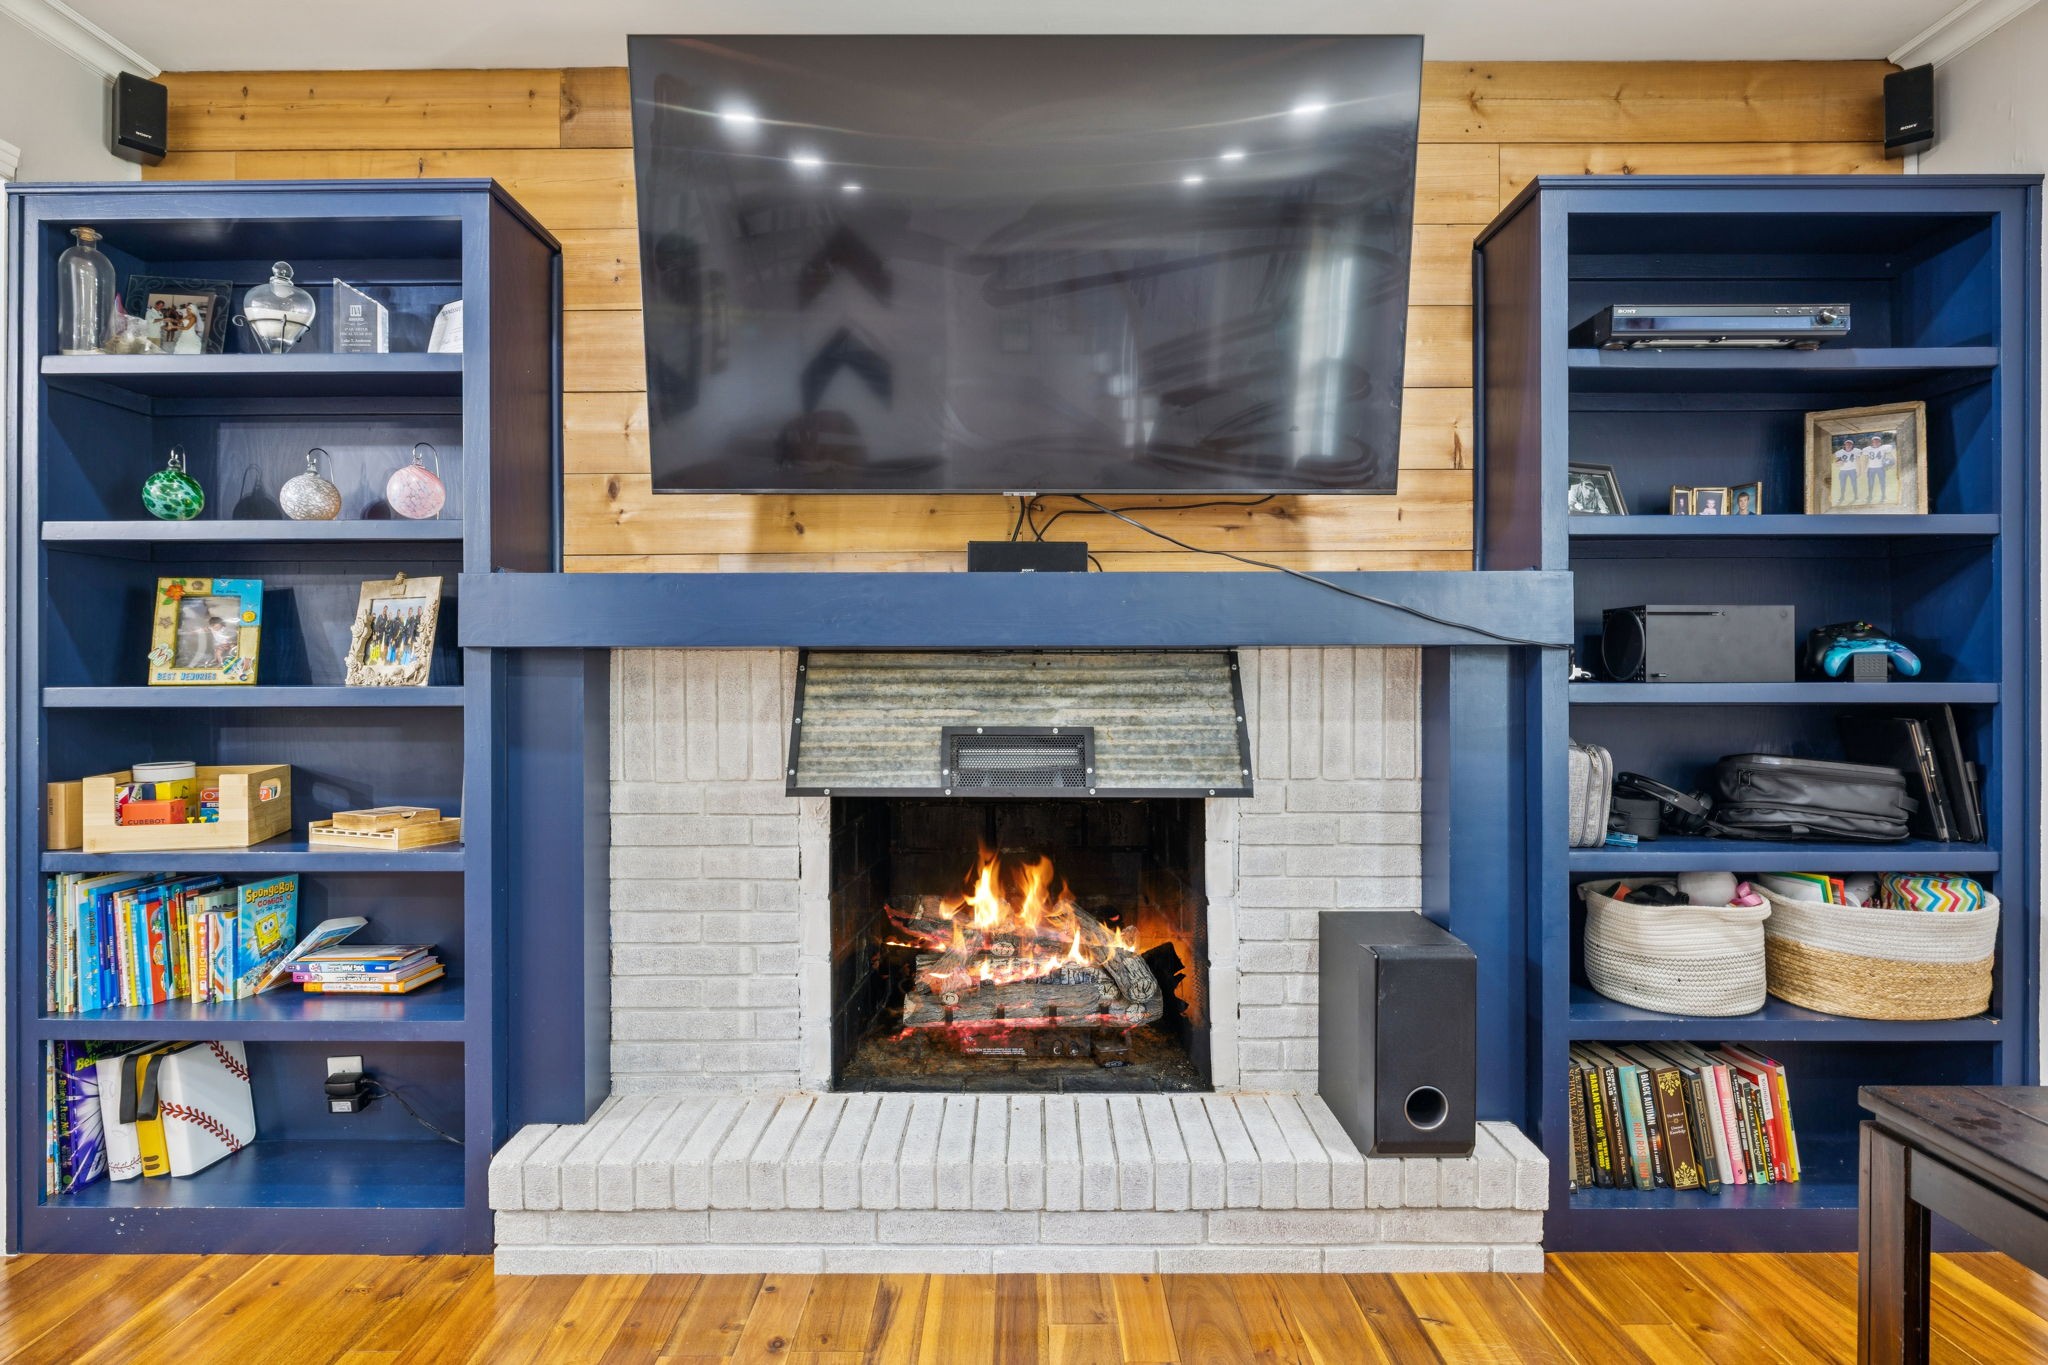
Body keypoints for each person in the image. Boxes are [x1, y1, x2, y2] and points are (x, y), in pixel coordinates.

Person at [1832, 436, 1860, 505]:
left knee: (1854, 484)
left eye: (1850, 444)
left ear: (1852, 445)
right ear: (1844, 445)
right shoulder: (1840, 452)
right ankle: (1842, 496)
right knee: (1842, 485)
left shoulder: (1856, 451)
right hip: (1843, 471)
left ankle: (1856, 496)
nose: (1848, 445)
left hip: (1852, 470)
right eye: (1847, 444)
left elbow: (1858, 461)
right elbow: (1836, 462)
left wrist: (1859, 471)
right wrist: (1838, 463)